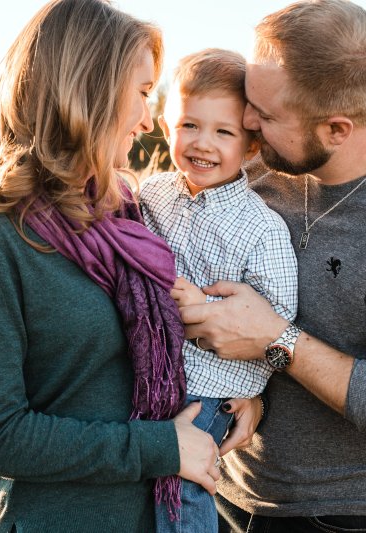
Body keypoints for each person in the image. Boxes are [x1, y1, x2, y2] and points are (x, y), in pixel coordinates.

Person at [0, 1, 244, 530]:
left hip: (159, 516)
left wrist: (244, 398)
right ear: (89, 91)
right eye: (142, 92)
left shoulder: (125, 214)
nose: (148, 120)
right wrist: (159, 448)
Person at [179, 2, 366, 532]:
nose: (246, 123)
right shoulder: (251, 173)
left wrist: (278, 340)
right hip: (223, 487)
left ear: (337, 128)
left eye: (267, 115)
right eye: (250, 102)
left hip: (345, 515)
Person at [138, 49, 298, 533]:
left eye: (223, 132)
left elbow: (279, 318)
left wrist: (204, 307)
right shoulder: (152, 195)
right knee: (143, 482)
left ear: (250, 146)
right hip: (150, 374)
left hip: (211, 388)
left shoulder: (260, 228)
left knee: (184, 481)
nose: (202, 143)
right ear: (166, 126)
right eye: (189, 125)